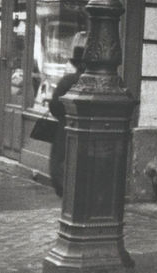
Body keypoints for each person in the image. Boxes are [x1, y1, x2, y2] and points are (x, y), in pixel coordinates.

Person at [48, 31, 87, 197]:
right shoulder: (95, 82)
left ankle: (65, 192)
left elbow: (54, 105)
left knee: (61, 160)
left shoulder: (68, 80)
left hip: (65, 128)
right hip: (88, 134)